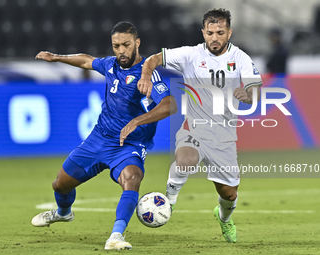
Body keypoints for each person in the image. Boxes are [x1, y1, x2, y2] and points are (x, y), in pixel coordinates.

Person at [31, 21, 177, 250]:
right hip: (98, 139)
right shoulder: (110, 65)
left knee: (132, 179)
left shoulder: (148, 75)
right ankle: (63, 213)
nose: (121, 51)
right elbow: (87, 60)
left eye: (126, 45)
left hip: (129, 145)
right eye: (116, 45)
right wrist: (57, 57)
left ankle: (116, 236)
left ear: (137, 43)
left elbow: (170, 105)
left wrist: (136, 121)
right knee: (60, 185)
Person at [137, 8, 262, 243]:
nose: (215, 38)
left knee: (229, 194)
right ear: (203, 32)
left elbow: (255, 91)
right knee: (185, 161)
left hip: (224, 137)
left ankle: (224, 218)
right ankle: (168, 204)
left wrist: (247, 95)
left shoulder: (241, 58)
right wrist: (145, 75)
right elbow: (153, 59)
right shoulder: (190, 55)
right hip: (194, 127)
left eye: (220, 33)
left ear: (229, 33)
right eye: (210, 32)